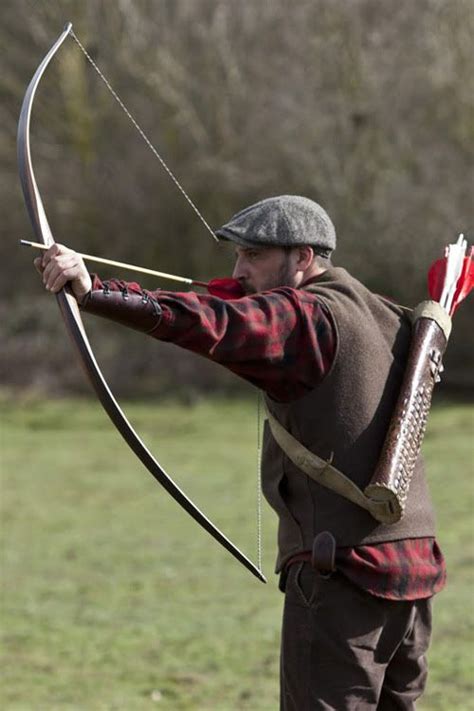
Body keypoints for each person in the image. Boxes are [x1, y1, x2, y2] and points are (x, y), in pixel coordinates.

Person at [35, 195, 445, 710]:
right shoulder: (388, 314)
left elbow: (215, 323)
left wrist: (95, 291)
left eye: (253, 255)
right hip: (414, 576)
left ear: (301, 258)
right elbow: (230, 307)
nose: (239, 268)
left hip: (344, 577)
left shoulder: (307, 318)